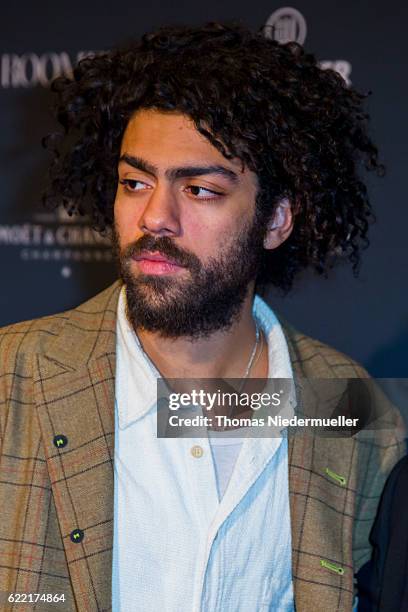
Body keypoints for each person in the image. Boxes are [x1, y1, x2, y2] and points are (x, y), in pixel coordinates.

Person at [0, 22, 405, 612]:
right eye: (134, 182)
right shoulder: (13, 379)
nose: (155, 218)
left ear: (275, 221)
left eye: (200, 191)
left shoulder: (349, 406)